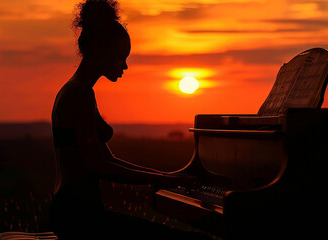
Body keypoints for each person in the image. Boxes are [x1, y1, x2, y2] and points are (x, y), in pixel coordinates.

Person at [50, 0, 212, 239]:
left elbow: (108, 159)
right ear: (99, 50)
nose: (125, 65)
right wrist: (161, 179)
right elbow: (98, 165)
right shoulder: (79, 94)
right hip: (78, 216)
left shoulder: (80, 90)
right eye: (120, 56)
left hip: (78, 209)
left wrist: (164, 177)